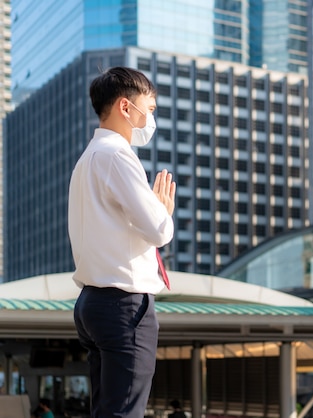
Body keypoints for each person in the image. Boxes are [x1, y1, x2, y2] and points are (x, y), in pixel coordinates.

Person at [68, 66, 176, 418]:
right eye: (150, 108)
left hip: (92, 302)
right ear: (126, 108)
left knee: (108, 410)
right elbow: (160, 231)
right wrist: (162, 210)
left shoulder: (86, 160)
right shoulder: (118, 156)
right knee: (125, 412)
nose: (151, 118)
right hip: (124, 305)